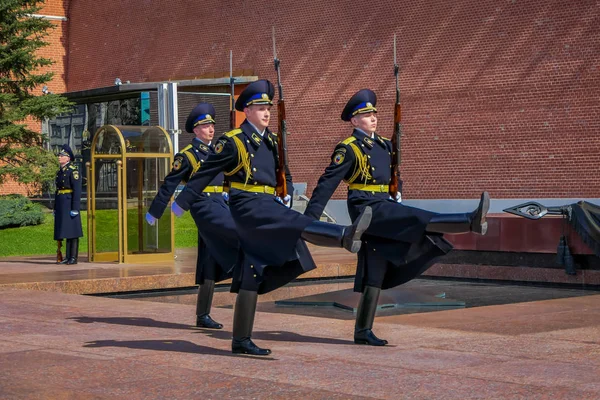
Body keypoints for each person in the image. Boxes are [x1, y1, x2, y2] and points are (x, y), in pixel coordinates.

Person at [172, 79, 372, 356]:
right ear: (248, 111)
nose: (267, 112)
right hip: (245, 206)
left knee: (250, 270)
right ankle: (342, 236)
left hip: (267, 202)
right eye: (261, 107)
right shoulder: (233, 142)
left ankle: (241, 339)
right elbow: (204, 174)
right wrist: (180, 204)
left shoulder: (273, 140)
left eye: (268, 107)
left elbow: (284, 172)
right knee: (292, 224)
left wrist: (286, 191)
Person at [304, 89, 490, 346]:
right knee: (415, 217)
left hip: (385, 205)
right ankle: (469, 221)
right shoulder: (348, 149)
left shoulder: (384, 145)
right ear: (354, 121)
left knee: (375, 269)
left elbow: (394, 174)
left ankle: (363, 331)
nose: (372, 118)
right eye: (365, 115)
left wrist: (398, 190)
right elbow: (327, 184)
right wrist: (310, 220)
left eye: (374, 114)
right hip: (365, 208)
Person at [146, 103, 238, 329]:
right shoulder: (187, 156)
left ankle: (202, 315)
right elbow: (170, 184)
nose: (210, 129)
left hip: (220, 204)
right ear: (195, 130)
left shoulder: (217, 151)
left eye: (212, 125)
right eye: (205, 126)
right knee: (235, 239)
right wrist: (155, 212)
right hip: (203, 206)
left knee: (210, 260)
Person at [54, 144, 83, 265]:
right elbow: (58, 190)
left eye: (62, 156)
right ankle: (67, 256)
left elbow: (77, 190)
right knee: (66, 230)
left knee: (73, 232)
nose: (59, 157)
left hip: (69, 202)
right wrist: (55, 208)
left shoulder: (73, 171)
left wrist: (75, 208)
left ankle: (73, 257)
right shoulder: (60, 172)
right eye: (59, 155)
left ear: (68, 158)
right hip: (62, 203)